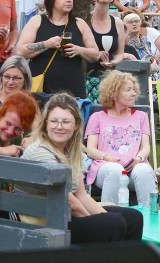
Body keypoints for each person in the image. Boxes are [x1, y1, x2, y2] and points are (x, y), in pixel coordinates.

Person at [17, 93, 143, 243]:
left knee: (133, 218)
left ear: (76, 125)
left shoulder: (69, 151)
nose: (59, 127)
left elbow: (81, 195)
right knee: (113, 224)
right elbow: (72, 204)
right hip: (45, 223)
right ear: (45, 124)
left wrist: (101, 219)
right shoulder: (41, 152)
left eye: (65, 122)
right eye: (54, 121)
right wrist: (99, 224)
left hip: (61, 215)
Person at [17, 0, 100, 98]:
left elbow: (95, 54)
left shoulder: (79, 23)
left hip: (73, 90)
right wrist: (47, 44)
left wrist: (79, 50)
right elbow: (21, 51)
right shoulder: (37, 21)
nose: (69, 0)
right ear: (52, 0)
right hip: (41, 90)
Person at [85, 71, 155, 205]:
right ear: (114, 93)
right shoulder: (97, 117)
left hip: (134, 168)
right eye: (128, 90)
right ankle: (110, 219)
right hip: (105, 167)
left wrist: (139, 158)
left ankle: (148, 219)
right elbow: (91, 150)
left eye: (134, 90)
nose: (134, 93)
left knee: (144, 170)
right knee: (115, 170)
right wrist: (108, 158)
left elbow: (146, 147)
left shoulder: (141, 116)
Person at [86, 0, 126, 102]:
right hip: (86, 78)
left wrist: (113, 62)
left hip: (109, 79)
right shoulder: (85, 20)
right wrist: (94, 54)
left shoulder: (118, 23)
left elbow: (120, 53)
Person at [0, 90, 38, 156]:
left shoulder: (17, 138)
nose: (10, 132)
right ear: (0, 116)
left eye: (17, 128)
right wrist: (1, 150)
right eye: (8, 123)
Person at [0, 56, 33, 124]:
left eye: (16, 78)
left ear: (25, 80)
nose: (10, 82)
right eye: (6, 77)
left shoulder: (31, 101)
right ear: (1, 77)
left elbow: (37, 130)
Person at [122, 11, 160, 75]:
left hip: (151, 68)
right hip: (138, 72)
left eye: (136, 21)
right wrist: (143, 61)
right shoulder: (125, 40)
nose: (134, 24)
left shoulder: (144, 39)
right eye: (130, 22)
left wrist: (154, 59)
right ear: (125, 26)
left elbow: (151, 55)